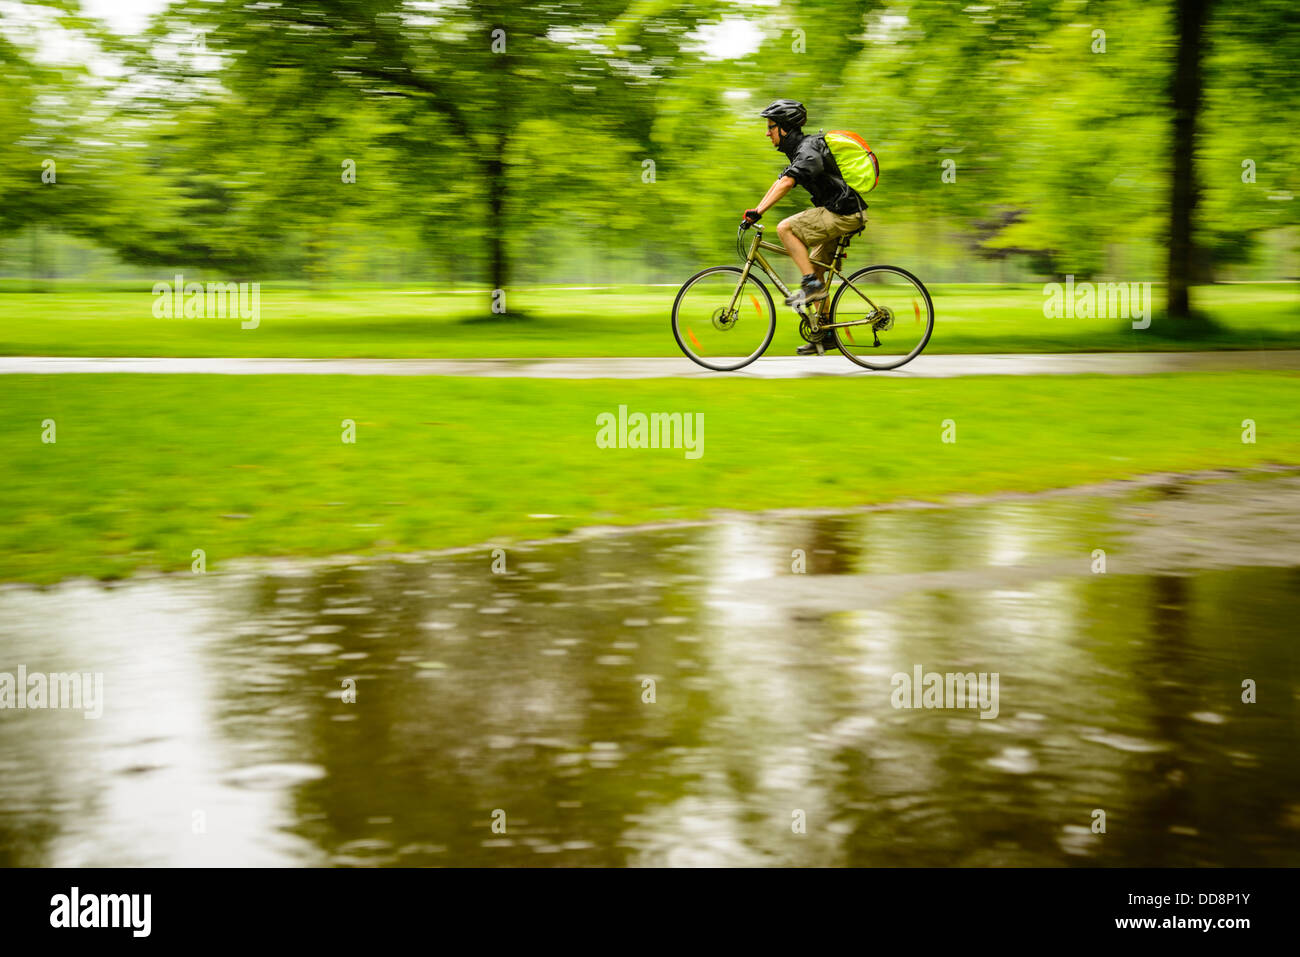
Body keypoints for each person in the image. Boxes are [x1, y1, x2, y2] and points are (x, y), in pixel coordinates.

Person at [742, 99, 867, 354]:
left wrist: (761, 212)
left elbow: (788, 183)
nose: (767, 133)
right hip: (842, 212)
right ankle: (827, 332)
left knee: (785, 228)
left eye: (771, 127)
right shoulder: (800, 151)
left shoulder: (808, 149)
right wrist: (756, 211)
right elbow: (780, 182)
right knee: (817, 267)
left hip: (842, 213)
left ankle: (810, 284)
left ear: (784, 128)